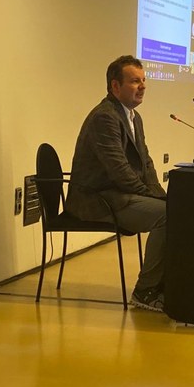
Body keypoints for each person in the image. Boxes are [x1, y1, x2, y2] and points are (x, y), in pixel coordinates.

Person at [66, 55, 167, 312]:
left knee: (175, 208)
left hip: (118, 195)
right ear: (115, 86)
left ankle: (165, 285)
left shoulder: (134, 117)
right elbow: (119, 170)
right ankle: (145, 291)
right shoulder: (105, 117)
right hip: (97, 200)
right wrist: (155, 198)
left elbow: (146, 163)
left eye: (143, 80)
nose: (142, 87)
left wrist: (161, 194)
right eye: (135, 81)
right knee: (168, 215)